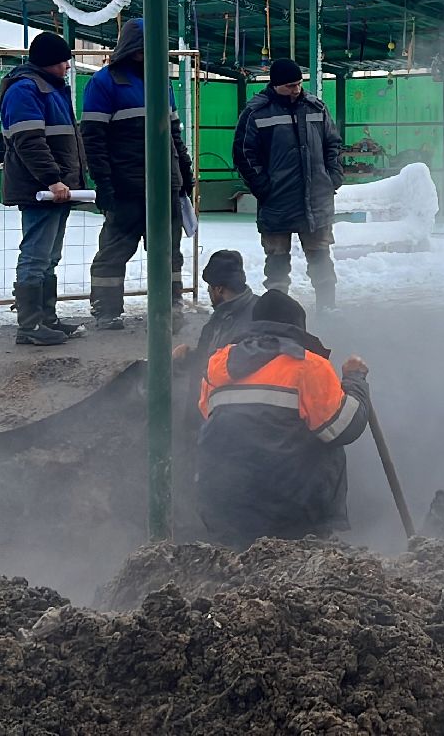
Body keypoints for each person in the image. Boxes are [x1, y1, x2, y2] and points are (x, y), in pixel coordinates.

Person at [195, 289, 370, 546]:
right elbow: (343, 427)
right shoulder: (307, 365)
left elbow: (208, 415)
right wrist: (355, 380)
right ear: (297, 327)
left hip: (224, 504)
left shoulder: (218, 364)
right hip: (290, 511)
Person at [80, 17, 194, 330]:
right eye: (142, 49)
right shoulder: (104, 83)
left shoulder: (162, 82)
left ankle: (169, 309)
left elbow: (173, 134)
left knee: (170, 254)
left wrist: (184, 173)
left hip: (166, 186)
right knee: (114, 252)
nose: (147, 55)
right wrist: (103, 183)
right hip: (126, 187)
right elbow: (92, 137)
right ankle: (106, 311)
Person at [232, 59, 345, 311]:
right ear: (275, 85)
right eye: (290, 86)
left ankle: (328, 308)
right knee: (277, 263)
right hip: (277, 201)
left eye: (298, 84)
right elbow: (244, 153)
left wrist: (332, 177)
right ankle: (275, 312)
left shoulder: (315, 107)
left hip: (315, 200)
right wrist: (262, 186)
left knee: (321, 257)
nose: (296, 90)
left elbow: (333, 144)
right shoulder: (256, 113)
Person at [0, 31, 87, 346]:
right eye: (63, 60)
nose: (67, 66)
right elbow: (29, 141)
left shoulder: (51, 90)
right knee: (36, 256)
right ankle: (30, 325)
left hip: (56, 189)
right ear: (48, 62)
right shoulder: (26, 90)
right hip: (42, 189)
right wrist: (53, 179)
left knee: (49, 256)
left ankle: (46, 319)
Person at [172, 249, 260, 364]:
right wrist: (188, 354)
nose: (208, 291)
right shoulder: (248, 307)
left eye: (210, 286)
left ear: (219, 289)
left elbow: (214, 365)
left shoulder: (230, 321)